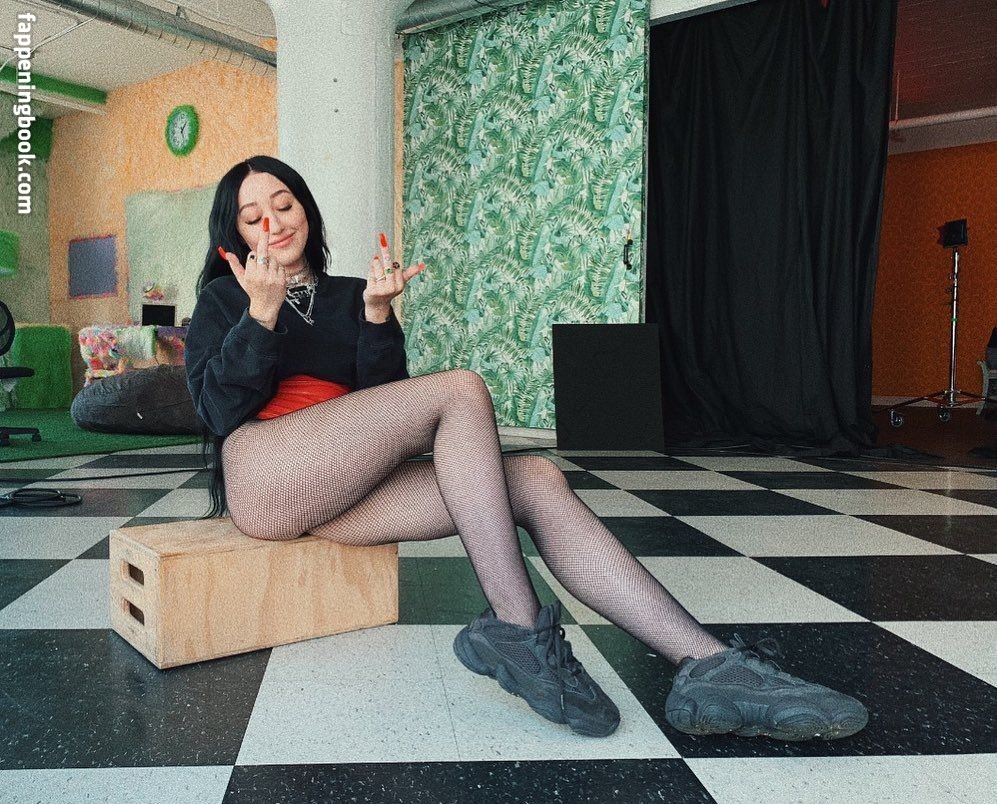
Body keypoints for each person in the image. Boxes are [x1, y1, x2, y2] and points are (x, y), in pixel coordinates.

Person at [185, 155, 868, 741]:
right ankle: (517, 625)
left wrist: (377, 315)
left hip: (346, 489)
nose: (274, 222)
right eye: (253, 216)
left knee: (537, 477)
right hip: (267, 478)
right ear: (233, 234)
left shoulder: (346, 293)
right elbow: (218, 412)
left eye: (284, 204)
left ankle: (705, 664)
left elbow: (380, 409)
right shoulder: (224, 298)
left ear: (306, 210)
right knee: (460, 390)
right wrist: (260, 313)